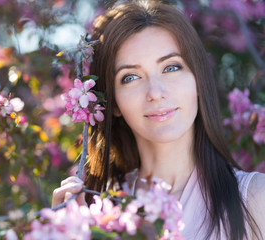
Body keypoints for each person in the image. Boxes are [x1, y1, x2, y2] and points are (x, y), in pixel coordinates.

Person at [52, 0, 265, 239]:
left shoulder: (255, 199)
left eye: (171, 67)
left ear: (197, 80)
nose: (155, 92)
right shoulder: (98, 213)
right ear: (113, 104)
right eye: (130, 77)